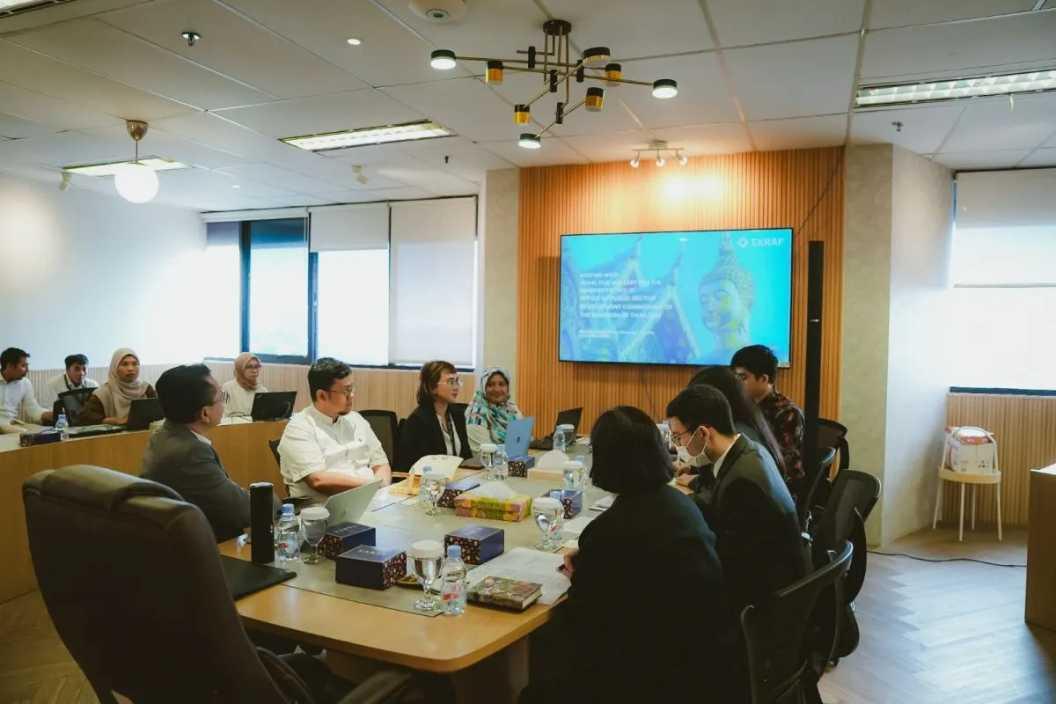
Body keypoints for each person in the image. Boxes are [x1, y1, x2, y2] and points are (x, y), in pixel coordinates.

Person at [521, 406, 735, 703]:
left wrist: (584, 574)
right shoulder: (682, 504)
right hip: (703, 665)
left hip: (645, 679)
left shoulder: (608, 531)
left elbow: (582, 621)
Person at [665, 384, 807, 622]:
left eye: (678, 437)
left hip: (763, 609)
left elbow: (729, 564)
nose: (676, 446)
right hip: (775, 584)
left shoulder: (742, 482)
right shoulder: (749, 450)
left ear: (703, 434)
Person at [142, 364, 267, 542]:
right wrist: (273, 500)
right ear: (205, 413)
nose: (223, 402)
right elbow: (244, 511)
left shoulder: (161, 436)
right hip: (198, 547)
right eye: (221, 397)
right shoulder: (190, 453)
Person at [277, 358, 391, 504]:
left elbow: (381, 463)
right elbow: (318, 480)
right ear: (322, 395)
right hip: (326, 510)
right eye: (346, 391)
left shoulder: (356, 419)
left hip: (371, 501)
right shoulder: (300, 427)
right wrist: (371, 487)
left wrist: (382, 491)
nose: (352, 395)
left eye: (352, 388)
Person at [681, 366, 787, 481]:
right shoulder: (743, 422)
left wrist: (694, 482)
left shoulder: (738, 434)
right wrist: (694, 471)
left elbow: (725, 482)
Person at [731, 344, 805, 492]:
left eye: (743, 377)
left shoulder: (788, 413)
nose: (736, 383)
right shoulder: (741, 406)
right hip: (747, 477)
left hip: (776, 487)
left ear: (764, 379)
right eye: (735, 377)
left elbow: (785, 465)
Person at [397, 360, 471, 469]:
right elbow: (419, 465)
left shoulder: (457, 415)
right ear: (432, 387)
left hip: (457, 476)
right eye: (450, 382)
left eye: (457, 381)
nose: (456, 387)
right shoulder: (419, 420)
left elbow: (466, 456)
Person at [699, 234, 754, 362]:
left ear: (745, 301)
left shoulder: (767, 359)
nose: (709, 307)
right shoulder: (700, 361)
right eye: (704, 300)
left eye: (720, 296)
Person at [78, 348, 156, 426]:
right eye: (124, 364)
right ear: (114, 368)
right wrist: (110, 421)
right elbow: (85, 417)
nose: (130, 368)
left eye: (135, 364)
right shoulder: (102, 393)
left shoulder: (146, 389)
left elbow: (158, 412)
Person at [465, 366, 522, 454]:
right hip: (487, 461)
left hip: (510, 459)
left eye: (501, 384)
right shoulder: (476, 416)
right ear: (483, 387)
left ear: (508, 387)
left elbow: (522, 439)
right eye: (490, 385)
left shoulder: (511, 408)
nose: (497, 389)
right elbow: (486, 454)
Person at [0, 347, 53, 433]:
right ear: (10, 366)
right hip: (5, 427)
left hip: (11, 425)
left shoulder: (25, 383)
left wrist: (51, 414)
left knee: (46, 432)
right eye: (23, 366)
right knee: (25, 434)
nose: (27, 370)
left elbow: (33, 409)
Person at [221, 352, 268, 420]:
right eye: (249, 367)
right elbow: (222, 413)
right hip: (234, 425)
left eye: (256, 367)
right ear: (240, 368)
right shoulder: (227, 388)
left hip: (256, 425)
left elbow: (266, 416)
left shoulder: (262, 390)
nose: (254, 371)